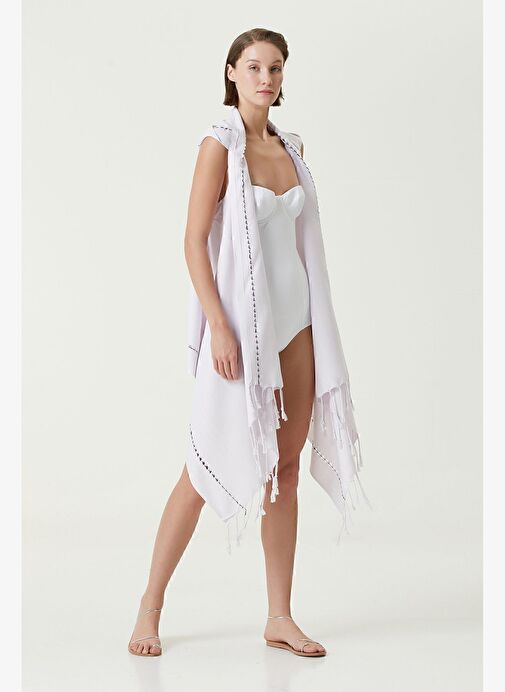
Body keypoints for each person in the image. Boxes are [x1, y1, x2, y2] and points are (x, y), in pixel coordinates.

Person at [128, 27, 362, 659]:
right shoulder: (219, 146)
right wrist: (220, 326)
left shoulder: (293, 148)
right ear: (231, 72)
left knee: (284, 472)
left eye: (275, 68)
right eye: (254, 66)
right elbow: (192, 241)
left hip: (299, 327)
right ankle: (149, 606)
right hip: (241, 334)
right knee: (201, 465)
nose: (266, 78)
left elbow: (300, 245)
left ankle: (279, 616)